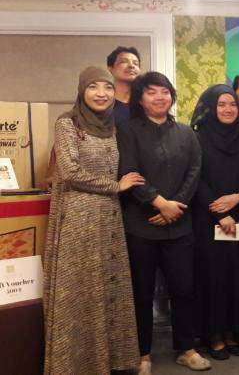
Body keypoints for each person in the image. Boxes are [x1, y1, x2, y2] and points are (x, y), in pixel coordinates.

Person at [43, 67, 142, 374]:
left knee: (107, 287)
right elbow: (69, 171)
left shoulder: (112, 127)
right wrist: (115, 186)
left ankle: (108, 360)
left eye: (107, 87)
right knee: (81, 289)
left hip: (109, 218)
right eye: (93, 87)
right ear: (82, 91)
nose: (101, 93)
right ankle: (75, 363)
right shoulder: (68, 123)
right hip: (79, 219)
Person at [117, 72, 208, 372]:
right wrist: (159, 203)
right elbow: (129, 172)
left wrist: (175, 207)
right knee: (141, 293)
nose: (160, 97)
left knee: (184, 289)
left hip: (179, 225)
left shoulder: (186, 132)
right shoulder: (127, 131)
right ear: (140, 98)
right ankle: (142, 354)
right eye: (152, 92)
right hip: (141, 225)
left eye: (165, 91)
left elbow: (194, 171)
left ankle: (186, 348)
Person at [190, 85, 239, 361]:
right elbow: (195, 179)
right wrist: (220, 212)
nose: (229, 109)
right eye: (222, 104)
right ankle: (213, 335)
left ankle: (233, 332)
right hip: (208, 218)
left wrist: (238, 197)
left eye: (232, 104)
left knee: (238, 274)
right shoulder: (197, 139)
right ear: (210, 108)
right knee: (213, 277)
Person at [107, 46, 141, 125]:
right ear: (111, 69)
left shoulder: (144, 103)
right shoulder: (104, 101)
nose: (131, 66)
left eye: (136, 63)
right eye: (124, 62)